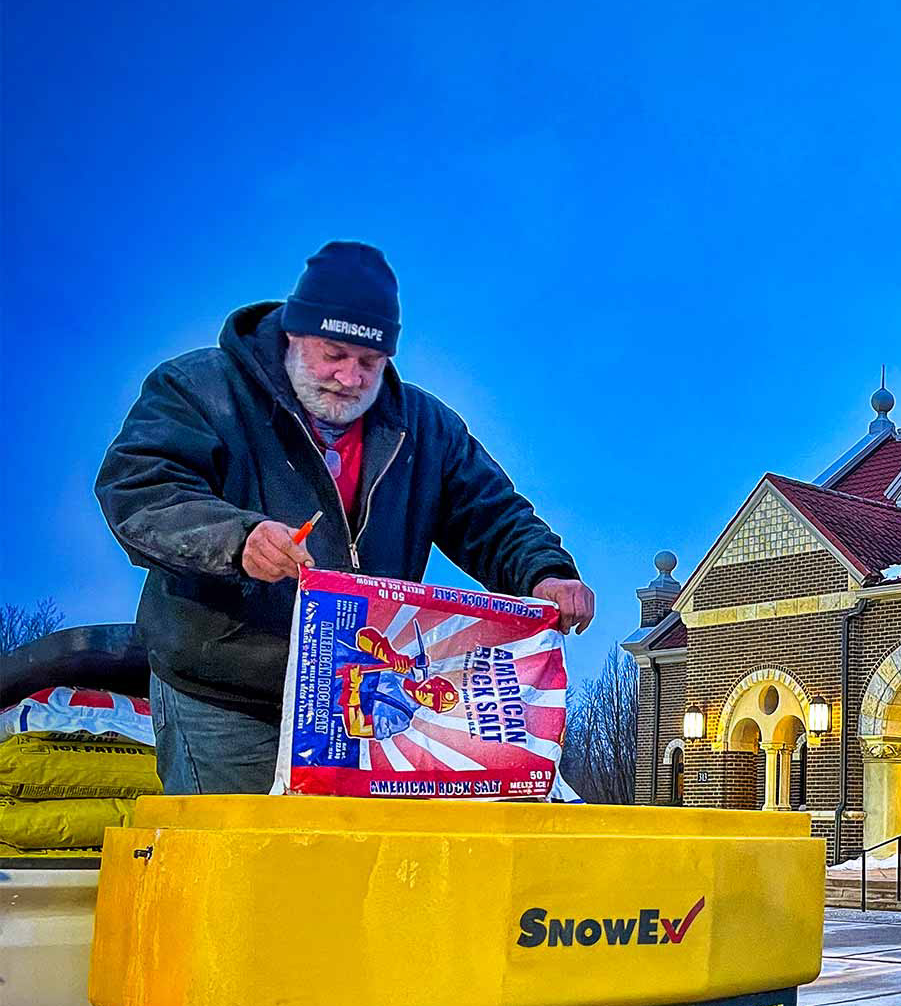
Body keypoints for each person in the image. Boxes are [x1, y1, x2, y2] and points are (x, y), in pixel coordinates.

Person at [96, 241, 595, 793]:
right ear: (293, 332)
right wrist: (239, 540)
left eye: (370, 363)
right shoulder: (200, 389)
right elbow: (141, 489)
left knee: (346, 865)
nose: (351, 378)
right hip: (227, 689)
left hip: (360, 694)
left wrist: (545, 571)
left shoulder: (425, 428)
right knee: (239, 862)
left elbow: (493, 516)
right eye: (334, 354)